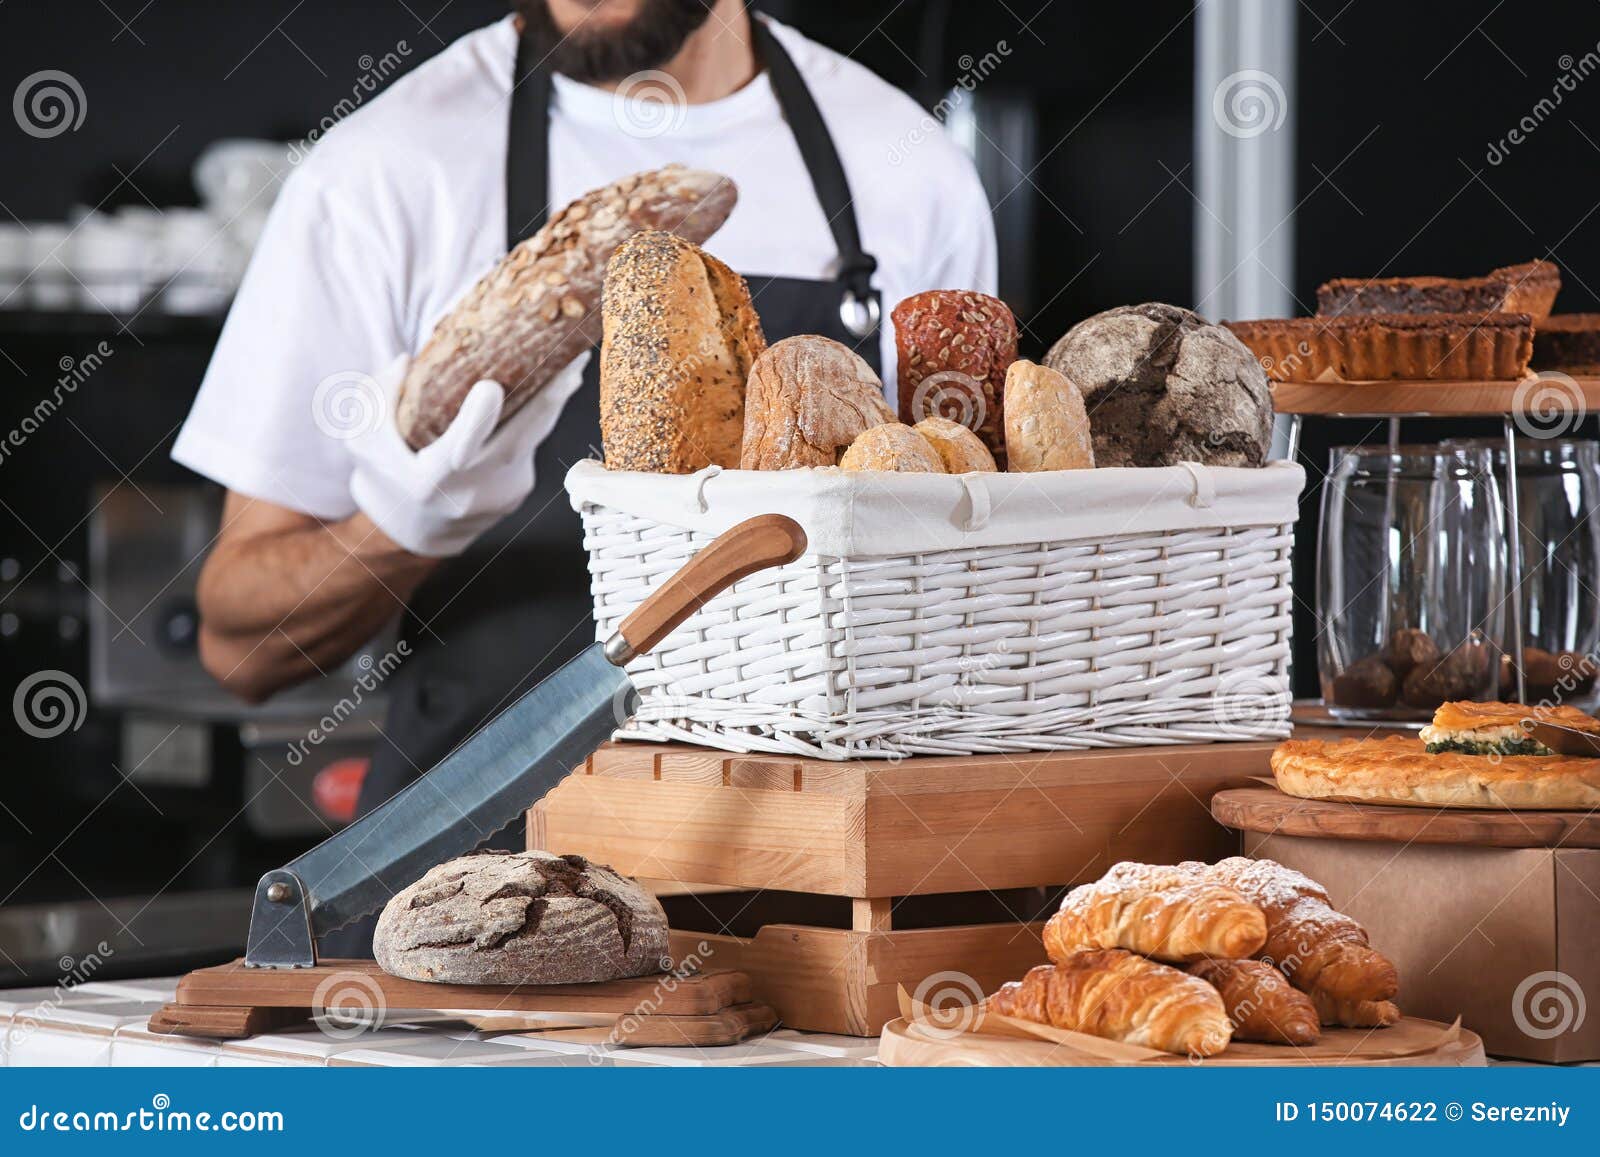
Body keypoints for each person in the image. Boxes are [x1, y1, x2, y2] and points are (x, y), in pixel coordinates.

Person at [175, 0, 996, 949]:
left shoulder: (904, 165)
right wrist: (401, 524)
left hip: (816, 907)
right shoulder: (387, 167)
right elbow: (238, 649)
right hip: (475, 913)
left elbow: (963, 560)